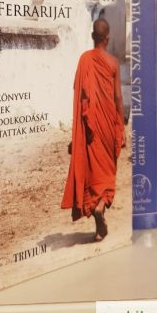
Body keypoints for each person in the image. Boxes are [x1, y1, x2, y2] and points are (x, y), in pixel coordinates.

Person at [61, 18, 126, 242]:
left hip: (91, 128)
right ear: (107, 38)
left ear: (92, 37)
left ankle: (98, 219)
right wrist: (121, 127)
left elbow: (81, 95)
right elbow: (118, 97)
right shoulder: (113, 63)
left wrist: (77, 133)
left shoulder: (84, 60)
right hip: (108, 125)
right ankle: (101, 207)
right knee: (107, 170)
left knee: (93, 171)